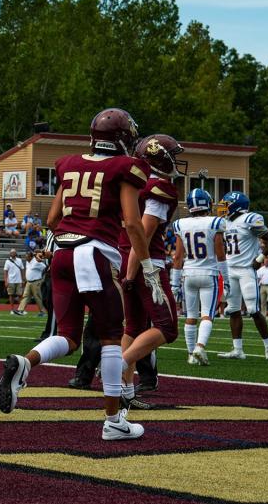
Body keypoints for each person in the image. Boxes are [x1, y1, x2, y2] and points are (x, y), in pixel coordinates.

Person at [0, 108, 157, 442]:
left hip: (64, 253)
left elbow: (52, 218)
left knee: (68, 336)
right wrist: (149, 266)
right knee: (112, 336)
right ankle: (114, 421)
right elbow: (131, 222)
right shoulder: (125, 167)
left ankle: (25, 363)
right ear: (124, 137)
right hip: (92, 253)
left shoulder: (69, 164)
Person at [118, 134, 185, 399]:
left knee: (132, 327)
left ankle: (122, 388)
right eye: (173, 156)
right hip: (147, 263)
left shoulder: (133, 184)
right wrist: (134, 273)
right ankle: (119, 366)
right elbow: (142, 235)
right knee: (167, 328)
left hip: (124, 257)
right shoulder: (160, 189)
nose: (176, 162)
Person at [217, 191, 268, 361]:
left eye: (226, 204)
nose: (223, 208)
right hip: (230, 270)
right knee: (233, 310)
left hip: (245, 270)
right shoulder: (225, 222)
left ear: (236, 206)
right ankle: (238, 350)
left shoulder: (249, 219)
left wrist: (259, 258)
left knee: (253, 310)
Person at [173, 188, 228, 365]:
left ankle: (191, 354)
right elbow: (220, 254)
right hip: (209, 274)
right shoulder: (215, 222)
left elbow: (178, 256)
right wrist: (226, 279)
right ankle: (199, 347)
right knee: (207, 315)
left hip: (188, 274)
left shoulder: (181, 224)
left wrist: (174, 284)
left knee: (190, 316)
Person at [15, 250, 48, 316]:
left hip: (36, 282)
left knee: (37, 297)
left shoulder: (36, 262)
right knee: (25, 296)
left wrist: (41, 277)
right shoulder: (28, 262)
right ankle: (20, 310)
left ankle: (43, 311)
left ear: (31, 257)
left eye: (27, 257)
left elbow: (45, 267)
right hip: (29, 282)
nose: (25, 258)